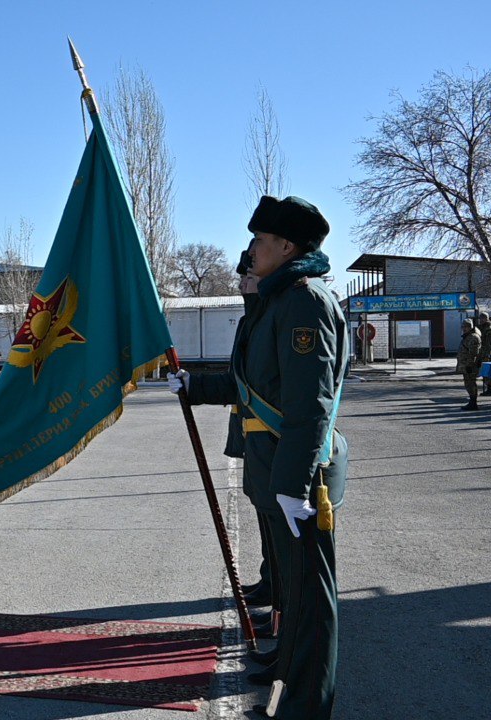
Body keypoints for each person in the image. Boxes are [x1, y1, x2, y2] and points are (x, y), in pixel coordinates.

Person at [170, 196, 347, 719]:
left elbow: (309, 405)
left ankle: (306, 707)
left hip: (298, 476)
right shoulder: (277, 301)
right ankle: (287, 668)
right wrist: (194, 385)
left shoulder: (304, 302)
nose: (251, 250)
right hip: (276, 469)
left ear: (286, 247)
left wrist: (294, 483)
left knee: (312, 602)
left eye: (259, 241)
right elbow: (253, 385)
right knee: (292, 593)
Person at [456, 318, 482, 411]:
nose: (464, 328)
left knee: (471, 383)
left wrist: (470, 365)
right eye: (463, 327)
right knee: (468, 383)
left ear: (470, 327)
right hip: (466, 365)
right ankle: (472, 401)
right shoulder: (467, 336)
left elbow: (473, 353)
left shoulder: (473, 337)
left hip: (470, 365)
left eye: (466, 327)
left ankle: (473, 403)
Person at [476, 311, 491, 397]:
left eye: (482, 319)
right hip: (483, 352)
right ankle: (488, 389)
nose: (480, 320)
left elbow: (490, 343)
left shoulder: (489, 328)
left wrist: (487, 354)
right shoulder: (484, 327)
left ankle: (490, 389)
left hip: (486, 353)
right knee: (485, 372)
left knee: (487, 372)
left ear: (486, 318)